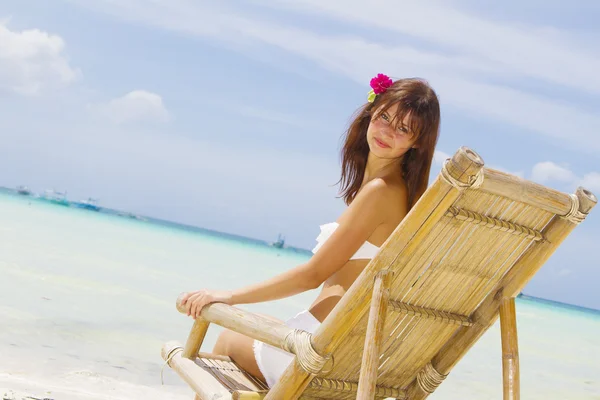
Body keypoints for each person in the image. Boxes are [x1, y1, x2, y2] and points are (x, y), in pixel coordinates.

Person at [181, 73, 441, 388]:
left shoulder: (380, 191)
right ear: (371, 112)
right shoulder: (396, 192)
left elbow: (312, 275)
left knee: (224, 341)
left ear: (416, 144)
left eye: (403, 129)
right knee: (250, 332)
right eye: (385, 116)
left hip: (319, 350)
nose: (387, 130)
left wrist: (228, 296)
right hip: (342, 351)